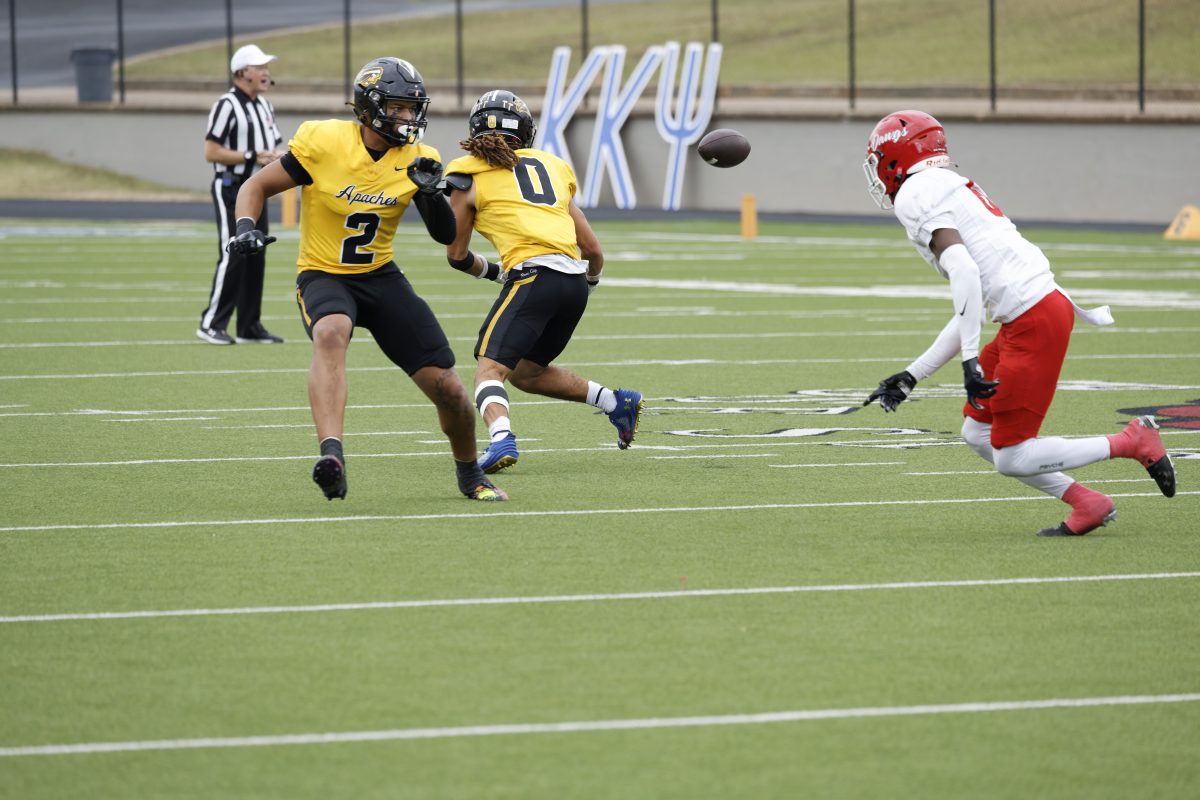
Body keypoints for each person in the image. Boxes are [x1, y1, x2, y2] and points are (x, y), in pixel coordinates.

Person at [860, 110, 1175, 536]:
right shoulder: (945, 184)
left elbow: (966, 272)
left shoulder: (915, 192)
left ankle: (1132, 441)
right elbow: (971, 303)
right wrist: (912, 375)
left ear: (895, 158)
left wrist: (970, 359)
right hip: (1032, 312)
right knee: (977, 433)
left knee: (1012, 456)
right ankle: (1087, 502)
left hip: (1034, 318)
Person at [226, 57, 507, 502]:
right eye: (398, 108)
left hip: (380, 276)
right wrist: (245, 227)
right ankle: (332, 456)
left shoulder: (419, 158)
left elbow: (445, 235)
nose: (408, 117)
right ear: (370, 106)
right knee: (331, 331)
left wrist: (431, 194)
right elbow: (255, 187)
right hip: (323, 272)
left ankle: (470, 473)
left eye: (412, 108)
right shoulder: (324, 142)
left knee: (450, 389)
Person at [442, 89, 643, 474]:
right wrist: (589, 282)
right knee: (526, 372)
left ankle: (502, 438)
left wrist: (495, 272)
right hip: (573, 283)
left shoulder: (467, 174)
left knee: (489, 370)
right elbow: (593, 250)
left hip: (533, 276)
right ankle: (616, 402)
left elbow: (456, 255)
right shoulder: (552, 166)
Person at [197, 43, 286, 345]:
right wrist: (252, 155)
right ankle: (211, 323)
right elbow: (211, 152)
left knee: (256, 251)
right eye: (259, 67)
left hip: (258, 187)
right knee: (234, 250)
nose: (266, 72)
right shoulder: (226, 104)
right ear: (241, 72)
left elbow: (270, 148)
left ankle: (249, 325)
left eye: (266, 67)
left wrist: (277, 158)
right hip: (231, 186)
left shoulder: (265, 106)